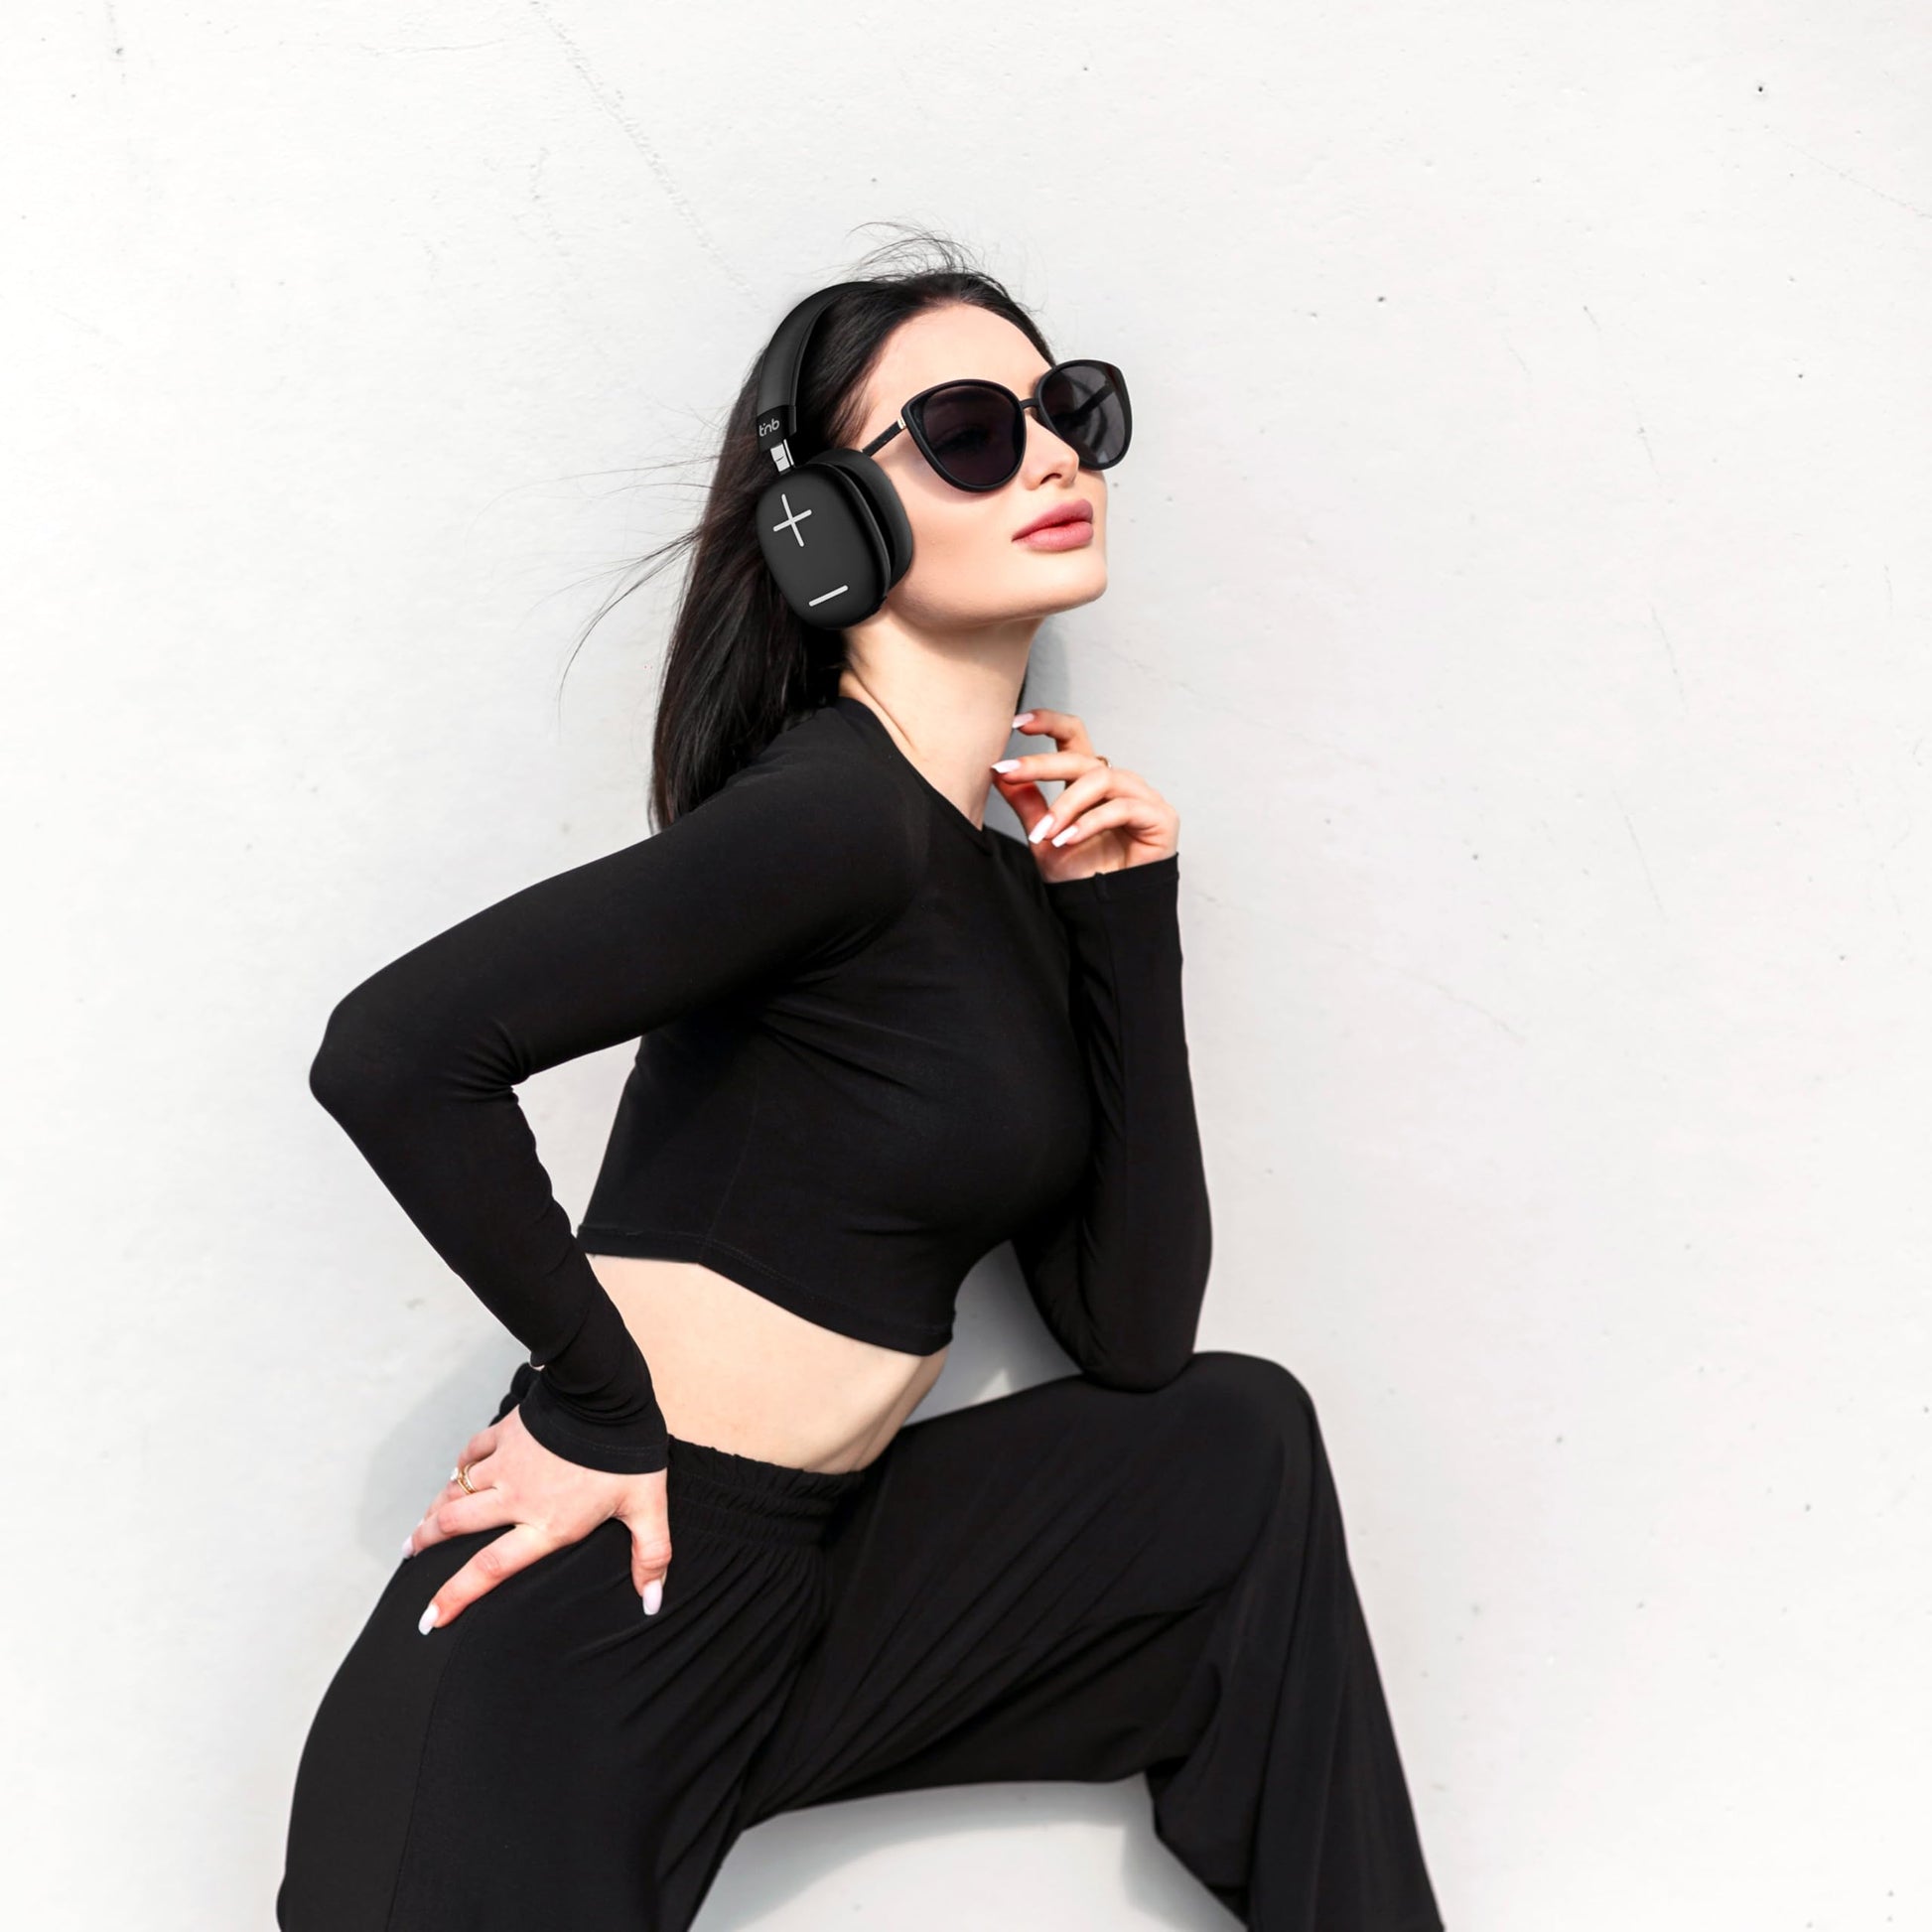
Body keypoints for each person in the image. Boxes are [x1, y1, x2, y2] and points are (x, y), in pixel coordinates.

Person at [275, 240, 1446, 1932]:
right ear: (824, 523)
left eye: (1069, 410)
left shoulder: (996, 886)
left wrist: (1121, 920)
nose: (1050, 456)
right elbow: (395, 1050)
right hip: (590, 1616)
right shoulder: (828, 816)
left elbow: (1132, 1338)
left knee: (1229, 1444)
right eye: (970, 429)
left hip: (809, 1585)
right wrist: (598, 1404)